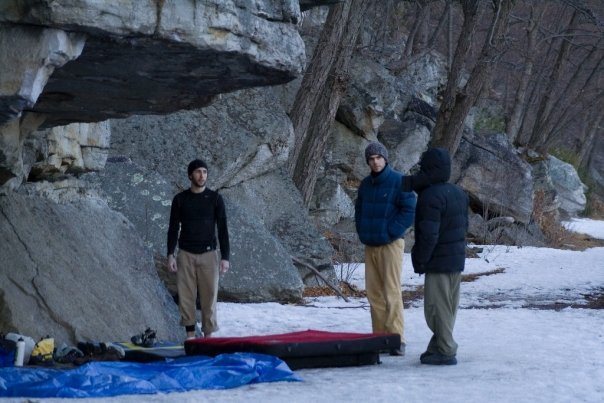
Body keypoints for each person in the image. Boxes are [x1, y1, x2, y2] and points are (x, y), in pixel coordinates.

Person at [407, 147, 469, 365]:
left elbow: (428, 235)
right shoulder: (459, 193)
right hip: (455, 259)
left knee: (436, 307)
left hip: (438, 260)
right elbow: (464, 228)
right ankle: (438, 345)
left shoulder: (430, 196)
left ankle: (446, 350)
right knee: (448, 306)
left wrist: (420, 259)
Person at [354, 141, 416, 356]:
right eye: (371, 159)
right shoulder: (365, 184)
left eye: (378, 157)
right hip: (370, 244)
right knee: (374, 294)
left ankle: (397, 339)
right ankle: (380, 338)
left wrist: (392, 232)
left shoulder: (399, 181)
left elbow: (409, 209)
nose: (375, 162)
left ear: (385, 159)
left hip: (390, 244)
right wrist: (362, 232)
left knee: (391, 291)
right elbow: (359, 210)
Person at [167, 159, 230, 340]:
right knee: (186, 297)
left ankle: (208, 338)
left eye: (204, 172)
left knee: (209, 297)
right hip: (185, 253)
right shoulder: (180, 200)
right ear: (190, 175)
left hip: (209, 254)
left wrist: (225, 257)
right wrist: (170, 254)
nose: (202, 175)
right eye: (198, 172)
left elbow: (223, 230)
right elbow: (173, 228)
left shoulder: (215, 199)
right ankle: (190, 337)